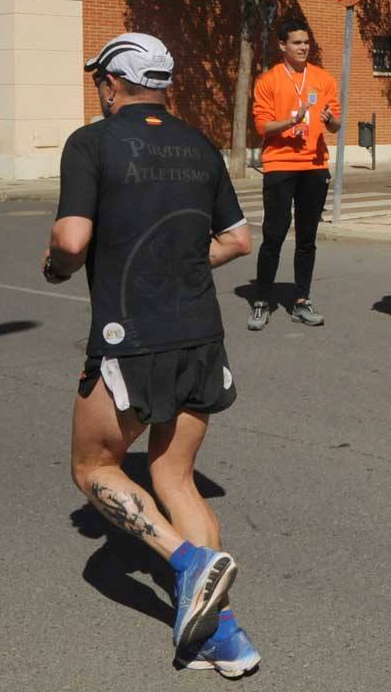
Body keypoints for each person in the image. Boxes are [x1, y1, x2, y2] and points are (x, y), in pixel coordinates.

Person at [48, 33, 260, 676]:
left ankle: (188, 562)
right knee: (173, 477)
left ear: (114, 82)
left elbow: (72, 238)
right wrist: (184, 264)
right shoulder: (200, 145)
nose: (98, 92)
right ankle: (225, 640)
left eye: (99, 83)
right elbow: (238, 239)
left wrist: (56, 263)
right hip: (200, 333)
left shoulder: (91, 142)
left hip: (129, 341)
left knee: (94, 469)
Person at [247, 17, 341, 331]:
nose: (303, 48)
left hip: (314, 167)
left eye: (306, 42)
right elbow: (261, 126)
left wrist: (330, 121)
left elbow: (338, 122)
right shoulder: (269, 80)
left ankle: (302, 300)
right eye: (297, 43)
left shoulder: (323, 79)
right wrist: (291, 121)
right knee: (274, 234)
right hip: (280, 165)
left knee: (307, 238)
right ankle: (261, 300)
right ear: (283, 45)